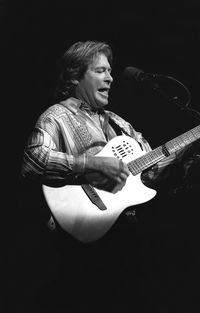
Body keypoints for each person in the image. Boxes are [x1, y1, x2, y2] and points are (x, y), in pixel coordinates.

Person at [21, 40, 199, 313]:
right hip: (77, 243)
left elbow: (152, 172)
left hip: (126, 236)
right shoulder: (55, 117)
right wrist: (93, 164)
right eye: (101, 71)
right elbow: (33, 162)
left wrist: (187, 147)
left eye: (110, 71)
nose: (111, 77)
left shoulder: (120, 123)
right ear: (75, 75)